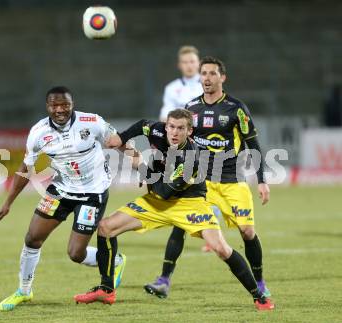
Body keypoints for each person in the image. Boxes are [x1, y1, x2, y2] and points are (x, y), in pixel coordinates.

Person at [74, 109, 274, 310]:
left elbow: (163, 191)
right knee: (106, 228)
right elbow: (123, 136)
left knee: (221, 248)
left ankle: (259, 296)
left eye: (180, 128)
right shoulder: (153, 128)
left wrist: (142, 168)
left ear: (190, 131)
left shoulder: (191, 158)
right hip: (157, 201)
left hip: (188, 203)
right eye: (171, 127)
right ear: (165, 126)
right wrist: (119, 143)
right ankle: (106, 290)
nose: (174, 132)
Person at [144, 56, 272, 300]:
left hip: (232, 180)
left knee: (247, 232)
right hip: (200, 179)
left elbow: (252, 144)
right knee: (180, 225)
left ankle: (259, 282)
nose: (207, 78)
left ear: (222, 78)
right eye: (204, 73)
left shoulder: (236, 108)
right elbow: (177, 138)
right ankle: (163, 280)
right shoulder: (191, 109)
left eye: (212, 74)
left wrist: (262, 180)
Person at [0, 86, 126, 311]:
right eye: (55, 105)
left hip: (92, 194)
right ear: (48, 107)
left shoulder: (91, 121)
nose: (60, 109)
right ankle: (24, 291)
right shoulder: (38, 132)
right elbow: (26, 168)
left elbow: (117, 140)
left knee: (75, 254)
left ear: (72, 105)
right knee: (32, 238)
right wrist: (7, 203)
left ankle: (116, 260)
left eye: (65, 105)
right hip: (61, 190)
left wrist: (137, 160)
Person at [159, 45, 203, 122]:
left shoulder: (211, 85)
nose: (189, 65)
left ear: (199, 63)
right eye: (185, 62)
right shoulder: (171, 88)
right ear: (179, 65)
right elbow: (164, 118)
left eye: (192, 61)